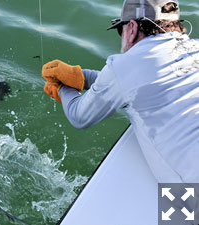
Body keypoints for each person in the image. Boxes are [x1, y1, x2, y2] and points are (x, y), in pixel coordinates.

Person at [42, 0, 199, 184]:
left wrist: (61, 88)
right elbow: (137, 84)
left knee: (178, 212)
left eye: (120, 29)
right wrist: (81, 77)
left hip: (192, 190)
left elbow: (79, 116)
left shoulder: (126, 64)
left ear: (132, 28)